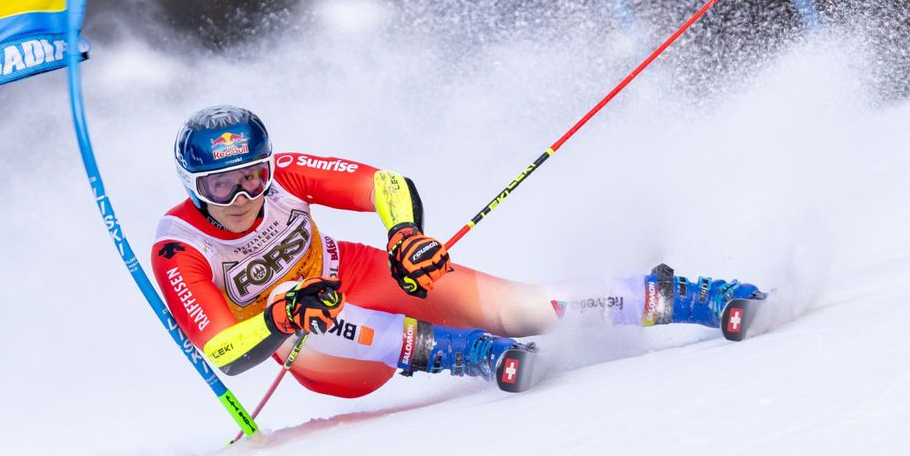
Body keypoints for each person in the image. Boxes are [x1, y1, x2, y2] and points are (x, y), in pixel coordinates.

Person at [151, 105, 766, 398]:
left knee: (516, 306)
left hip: (357, 273)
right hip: (322, 353)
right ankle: (465, 354)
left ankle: (683, 299)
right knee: (299, 310)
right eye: (221, 185)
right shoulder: (182, 246)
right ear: (194, 188)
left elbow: (383, 185)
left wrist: (403, 235)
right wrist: (282, 316)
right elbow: (220, 350)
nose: (245, 194)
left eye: (254, 175)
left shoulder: (286, 173)